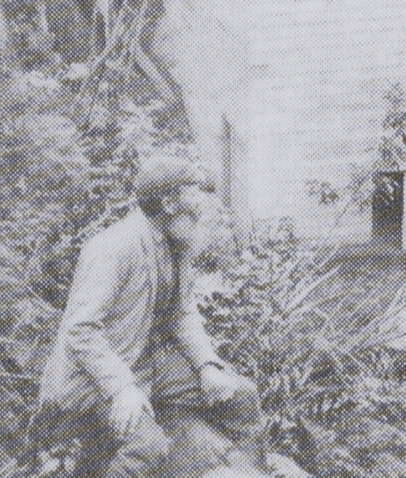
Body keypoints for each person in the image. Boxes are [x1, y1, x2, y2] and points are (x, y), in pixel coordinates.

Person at [36, 155, 270, 478]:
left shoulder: (176, 242)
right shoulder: (113, 248)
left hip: (145, 365)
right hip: (89, 379)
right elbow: (81, 330)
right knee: (149, 446)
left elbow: (181, 311)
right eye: (194, 193)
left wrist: (206, 364)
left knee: (241, 394)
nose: (201, 204)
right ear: (169, 203)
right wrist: (121, 389)